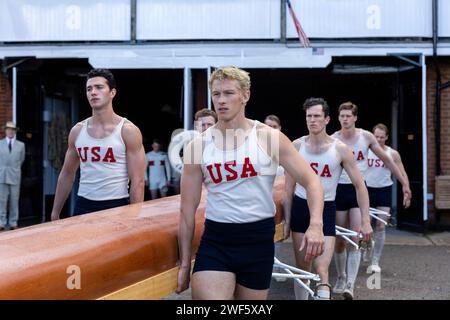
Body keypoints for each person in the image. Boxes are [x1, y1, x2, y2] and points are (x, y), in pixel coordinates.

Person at [176, 66, 325, 300]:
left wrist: (315, 225)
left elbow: (312, 181)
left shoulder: (268, 137)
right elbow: (187, 209)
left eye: (229, 93)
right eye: (216, 94)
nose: (221, 100)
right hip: (217, 240)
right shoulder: (198, 146)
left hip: (258, 240)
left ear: (245, 95)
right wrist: (185, 262)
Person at [283, 98, 370, 300]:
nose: (312, 120)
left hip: (327, 209)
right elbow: (288, 189)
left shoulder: (339, 149)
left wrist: (365, 220)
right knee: (302, 268)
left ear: (327, 119)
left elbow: (360, 185)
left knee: (322, 269)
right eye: (309, 116)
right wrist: (287, 220)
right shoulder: (296, 146)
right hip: (300, 208)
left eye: (317, 116)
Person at [331, 101, 411, 299]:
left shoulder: (365, 137)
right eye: (342, 116)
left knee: (355, 236)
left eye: (349, 115)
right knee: (340, 239)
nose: (345, 119)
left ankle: (350, 283)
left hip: (359, 189)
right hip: (339, 190)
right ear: (338, 118)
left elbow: (387, 160)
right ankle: (340, 277)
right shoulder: (333, 139)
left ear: (355, 118)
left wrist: (404, 184)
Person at [50, 68, 145, 220]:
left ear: (112, 92)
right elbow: (67, 174)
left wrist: (133, 218)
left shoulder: (128, 130)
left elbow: (138, 180)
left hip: (117, 205)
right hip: (84, 205)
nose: (93, 92)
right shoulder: (77, 131)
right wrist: (55, 212)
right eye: (89, 89)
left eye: (99, 87)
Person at [365, 123, 410, 273]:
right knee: (365, 226)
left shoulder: (392, 154)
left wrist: (406, 190)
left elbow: (402, 173)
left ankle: (375, 261)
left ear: (387, 138)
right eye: (376, 136)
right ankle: (365, 248)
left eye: (382, 137)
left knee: (381, 226)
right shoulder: (365, 151)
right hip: (366, 190)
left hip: (384, 190)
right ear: (372, 136)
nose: (378, 140)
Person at [264, 114, 286, 282]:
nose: (270, 129)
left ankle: (276, 266)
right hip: (260, 202)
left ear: (279, 129)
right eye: (267, 126)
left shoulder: (285, 151)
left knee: (277, 236)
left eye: (274, 127)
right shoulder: (253, 150)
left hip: (279, 201)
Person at [0, 121, 25, 230]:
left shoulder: (21, 145)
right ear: (5, 130)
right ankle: (1, 222)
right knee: (2, 200)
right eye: (8, 129)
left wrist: (14, 168)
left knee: (14, 200)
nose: (10, 131)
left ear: (15, 131)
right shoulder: (0, 143)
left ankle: (13, 222)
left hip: (15, 175)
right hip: (2, 175)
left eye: (13, 129)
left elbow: (21, 160)